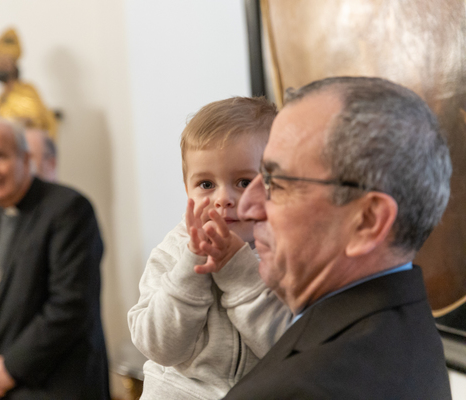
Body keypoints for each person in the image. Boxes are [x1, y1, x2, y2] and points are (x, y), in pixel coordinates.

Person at [223, 77, 452, 399]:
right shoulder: (404, 324)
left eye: (276, 182)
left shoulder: (298, 389)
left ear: (367, 221)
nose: (247, 206)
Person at [128, 97, 291, 399]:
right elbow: (158, 346)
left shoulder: (288, 253)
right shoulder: (172, 252)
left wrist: (239, 273)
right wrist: (191, 264)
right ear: (186, 189)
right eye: (206, 184)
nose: (222, 199)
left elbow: (290, 349)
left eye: (243, 181)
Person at [0, 119, 109, 399]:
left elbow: (70, 304)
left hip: (55, 385)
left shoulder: (68, 209)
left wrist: (10, 368)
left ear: (26, 159)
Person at [0, 28, 57, 139]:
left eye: (5, 61)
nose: (0, 65)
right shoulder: (0, 98)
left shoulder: (27, 91)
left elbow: (36, 121)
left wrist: (19, 123)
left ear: (14, 66)